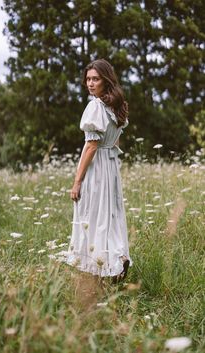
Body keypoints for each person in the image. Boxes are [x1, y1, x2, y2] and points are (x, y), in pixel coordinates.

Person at [63, 59, 132, 282]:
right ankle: (117, 259)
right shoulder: (117, 107)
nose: (90, 83)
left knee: (91, 216)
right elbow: (115, 144)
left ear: (106, 80)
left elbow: (91, 146)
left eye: (96, 79)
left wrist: (77, 181)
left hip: (97, 168)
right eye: (88, 79)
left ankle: (96, 267)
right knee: (109, 216)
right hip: (110, 168)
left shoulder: (96, 107)